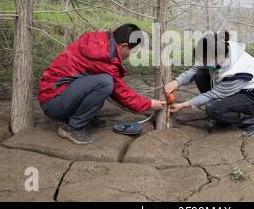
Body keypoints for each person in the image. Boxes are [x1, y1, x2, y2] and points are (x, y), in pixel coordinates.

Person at [38, 24, 166, 144]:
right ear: (123, 46)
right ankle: (72, 127)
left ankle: (85, 119)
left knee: (101, 80)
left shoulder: (101, 42)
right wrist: (149, 104)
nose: (131, 55)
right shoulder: (103, 57)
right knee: (105, 82)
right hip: (53, 102)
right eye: (132, 52)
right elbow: (121, 93)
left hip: (59, 94)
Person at [165, 31, 254, 137]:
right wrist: (176, 82)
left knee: (214, 109)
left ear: (218, 58)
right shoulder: (214, 51)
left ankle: (250, 121)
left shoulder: (237, 70)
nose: (203, 63)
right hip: (234, 89)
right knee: (200, 74)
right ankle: (223, 114)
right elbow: (195, 69)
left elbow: (212, 94)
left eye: (206, 61)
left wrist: (183, 105)